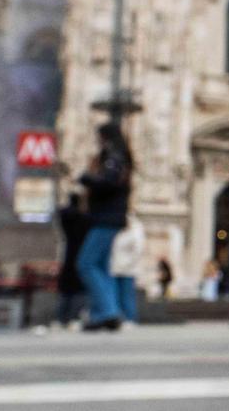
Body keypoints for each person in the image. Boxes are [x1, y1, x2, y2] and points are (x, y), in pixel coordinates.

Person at [76, 123, 133, 332]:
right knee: (101, 266)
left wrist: (86, 179)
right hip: (110, 217)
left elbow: (108, 183)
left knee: (86, 263)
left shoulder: (113, 156)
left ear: (105, 137)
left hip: (107, 218)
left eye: (99, 137)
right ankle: (104, 313)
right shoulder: (118, 155)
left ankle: (108, 312)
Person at [56, 193, 90, 330]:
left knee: (67, 290)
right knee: (79, 289)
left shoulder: (67, 217)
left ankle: (62, 318)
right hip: (82, 254)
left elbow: (62, 212)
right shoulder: (84, 218)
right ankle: (74, 317)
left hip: (69, 255)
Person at [109, 213, 146, 327]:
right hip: (113, 266)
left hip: (128, 268)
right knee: (114, 294)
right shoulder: (113, 222)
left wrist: (129, 263)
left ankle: (130, 318)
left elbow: (138, 248)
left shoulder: (135, 227)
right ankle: (117, 317)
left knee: (126, 294)